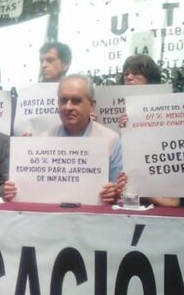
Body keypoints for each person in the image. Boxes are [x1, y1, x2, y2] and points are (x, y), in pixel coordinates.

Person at [31, 75, 123, 204]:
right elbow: (35, 189)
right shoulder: (44, 140)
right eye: (63, 100)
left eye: (76, 101)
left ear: (91, 105)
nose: (68, 107)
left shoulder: (111, 140)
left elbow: (119, 189)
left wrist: (114, 192)